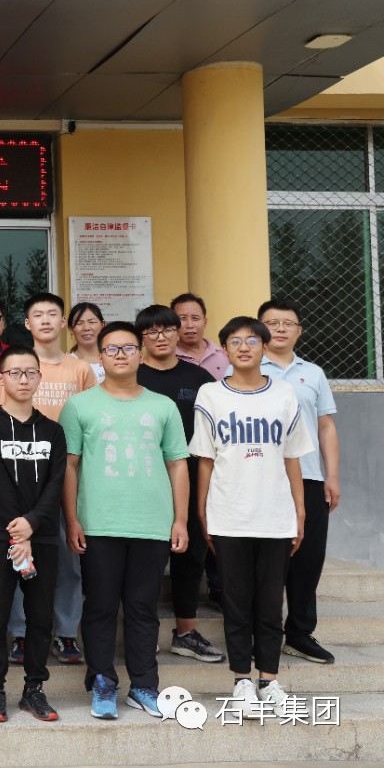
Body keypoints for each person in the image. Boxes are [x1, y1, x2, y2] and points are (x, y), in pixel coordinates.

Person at [61, 322, 190, 720]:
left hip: (151, 523)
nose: (121, 355)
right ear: (100, 358)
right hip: (98, 523)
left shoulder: (162, 406)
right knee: (100, 607)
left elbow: (178, 465)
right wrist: (72, 518)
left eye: (129, 348)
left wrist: (180, 520)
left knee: (143, 608)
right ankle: (103, 682)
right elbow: (69, 465)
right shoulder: (79, 405)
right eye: (112, 349)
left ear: (141, 355)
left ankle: (144, 685)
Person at [191, 316, 313, 716]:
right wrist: (203, 510)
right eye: (235, 341)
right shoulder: (210, 394)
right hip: (229, 514)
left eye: (251, 341)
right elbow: (206, 459)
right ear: (224, 349)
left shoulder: (284, 394)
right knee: (237, 601)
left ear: (265, 347)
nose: (243, 347)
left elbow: (292, 457)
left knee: (269, 603)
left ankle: (269, 680)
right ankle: (241, 680)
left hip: (275, 515)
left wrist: (299, 510)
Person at [0, 345, 67, 723]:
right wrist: (18, 530)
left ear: (39, 378)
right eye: (15, 372)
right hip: (1, 534)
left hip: (42, 535)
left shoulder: (53, 431)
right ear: (1, 378)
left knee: (40, 617)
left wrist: (32, 525)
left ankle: (34, 689)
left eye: (30, 372)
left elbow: (55, 484)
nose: (23, 379)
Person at [5, 292, 96, 666]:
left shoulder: (80, 369)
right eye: (37, 315)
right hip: (24, 476)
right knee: (19, 555)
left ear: (63, 323)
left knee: (68, 558)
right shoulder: (16, 364)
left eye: (52, 314)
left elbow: (91, 421)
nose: (45, 320)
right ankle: (21, 633)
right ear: (28, 324)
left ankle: (66, 633)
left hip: (69, 476)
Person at [135, 304, 223, 663]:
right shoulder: (133, 377)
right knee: (145, 560)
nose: (161, 337)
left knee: (190, 556)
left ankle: (186, 632)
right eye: (152, 331)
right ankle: (143, 633)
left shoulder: (200, 379)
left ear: (177, 333)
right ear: (142, 338)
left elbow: (213, 434)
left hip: (192, 476)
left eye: (167, 329)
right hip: (143, 479)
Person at [256, 299, 341, 665]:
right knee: (265, 560)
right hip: (261, 478)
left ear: (299, 331)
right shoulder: (245, 368)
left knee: (308, 559)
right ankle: (263, 631)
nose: (280, 328)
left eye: (287, 323)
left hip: (308, 476)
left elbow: (326, 426)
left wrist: (331, 475)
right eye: (272, 322)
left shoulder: (314, 373)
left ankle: (300, 633)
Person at [172, 292, 229, 380]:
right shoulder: (168, 357)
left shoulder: (224, 354)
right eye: (182, 318)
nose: (190, 325)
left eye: (195, 318)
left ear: (205, 322)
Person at [68, 302, 105, 382]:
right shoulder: (66, 364)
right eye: (79, 323)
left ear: (102, 325)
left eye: (92, 322)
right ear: (71, 329)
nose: (86, 328)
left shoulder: (115, 359)